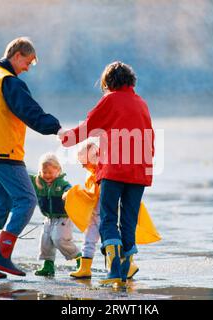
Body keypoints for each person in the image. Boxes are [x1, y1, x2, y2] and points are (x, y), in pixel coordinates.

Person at [0, 37, 63, 279]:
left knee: (1, 205)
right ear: (18, 55)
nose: (28, 67)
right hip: (4, 151)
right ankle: (2, 256)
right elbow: (29, 111)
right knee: (26, 200)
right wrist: (56, 128)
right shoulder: (9, 81)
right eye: (29, 62)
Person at [60, 61, 155, 285]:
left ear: (108, 82)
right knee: (129, 220)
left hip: (114, 170)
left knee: (108, 217)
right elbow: (150, 140)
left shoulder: (110, 100)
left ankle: (114, 270)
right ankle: (126, 267)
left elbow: (90, 125)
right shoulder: (142, 103)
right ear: (131, 81)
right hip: (139, 171)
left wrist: (66, 139)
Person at [65, 141, 161, 280]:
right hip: (96, 216)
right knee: (89, 240)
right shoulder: (93, 174)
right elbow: (90, 194)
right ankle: (86, 268)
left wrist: (73, 193)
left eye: (84, 162)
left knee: (112, 238)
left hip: (106, 217)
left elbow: (94, 194)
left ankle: (126, 265)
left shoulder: (103, 172)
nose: (82, 166)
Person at [30, 153, 81, 277]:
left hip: (63, 217)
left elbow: (70, 189)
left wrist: (67, 193)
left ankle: (80, 259)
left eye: (50, 172)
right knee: (45, 241)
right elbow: (23, 178)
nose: (47, 175)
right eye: (44, 172)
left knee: (59, 240)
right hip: (48, 218)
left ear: (58, 171)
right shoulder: (38, 182)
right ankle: (48, 266)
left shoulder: (62, 183)